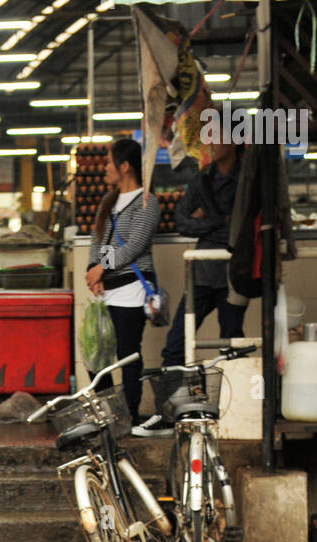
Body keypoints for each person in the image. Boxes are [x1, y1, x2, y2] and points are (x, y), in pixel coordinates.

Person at [133, 140, 245, 437]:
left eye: (217, 136)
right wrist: (216, 223)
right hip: (203, 271)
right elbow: (181, 221)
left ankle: (238, 413)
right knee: (175, 346)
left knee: (232, 344)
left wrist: (209, 223)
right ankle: (173, 413)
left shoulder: (247, 178)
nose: (210, 144)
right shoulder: (202, 178)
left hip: (236, 272)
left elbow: (243, 225)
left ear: (234, 141)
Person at [86, 138, 161, 429]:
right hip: (106, 290)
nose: (105, 168)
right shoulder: (108, 201)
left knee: (128, 355)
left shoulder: (147, 202)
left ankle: (129, 413)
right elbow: (98, 240)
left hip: (133, 289)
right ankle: (107, 414)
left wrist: (100, 269)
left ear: (125, 166)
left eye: (109, 162)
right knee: (98, 354)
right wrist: (94, 272)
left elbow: (134, 246)